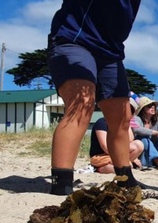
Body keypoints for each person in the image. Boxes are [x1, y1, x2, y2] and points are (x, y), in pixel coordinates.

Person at [46, 0, 145, 195]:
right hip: (75, 38)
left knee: (122, 117)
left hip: (110, 52)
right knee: (81, 105)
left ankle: (125, 180)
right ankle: (61, 183)